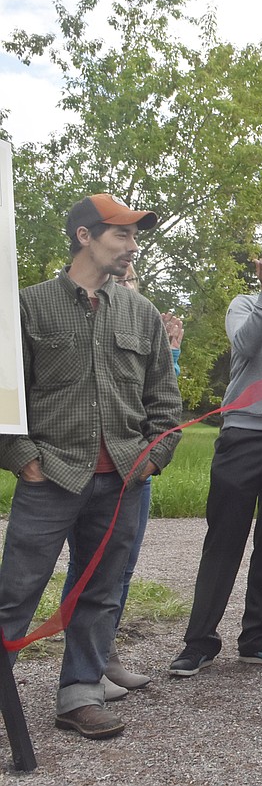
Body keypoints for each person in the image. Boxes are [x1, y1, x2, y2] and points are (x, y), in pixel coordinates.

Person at [0, 193, 182, 739]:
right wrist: (22, 459)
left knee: (101, 590)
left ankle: (78, 693)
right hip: (51, 475)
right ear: (85, 236)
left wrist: (153, 458)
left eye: (133, 236)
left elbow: (165, 403)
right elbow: (5, 397)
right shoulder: (26, 307)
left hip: (125, 479)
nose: (132, 245)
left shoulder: (141, 313)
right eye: (122, 234)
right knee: (16, 590)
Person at [168, 243, 262, 678]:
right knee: (225, 538)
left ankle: (258, 637)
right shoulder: (247, 304)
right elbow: (247, 346)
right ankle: (198, 641)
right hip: (244, 432)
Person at [60, 262, 183, 698]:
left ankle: (102, 660)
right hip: (72, 467)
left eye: (132, 279)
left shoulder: (140, 317)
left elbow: (158, 394)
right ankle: (87, 666)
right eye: (122, 278)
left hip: (130, 471)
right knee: (86, 568)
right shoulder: (57, 307)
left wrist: (149, 461)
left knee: (120, 569)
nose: (125, 285)